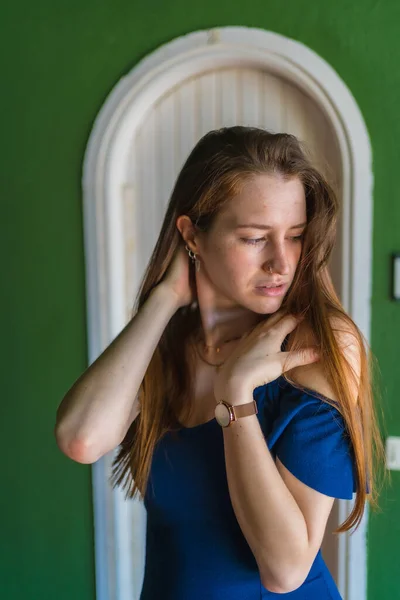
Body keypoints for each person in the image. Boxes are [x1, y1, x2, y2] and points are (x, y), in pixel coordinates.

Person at [55, 127, 384, 599]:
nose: (282, 263)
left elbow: (286, 569)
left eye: (294, 236)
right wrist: (165, 298)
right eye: (254, 238)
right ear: (192, 235)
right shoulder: (169, 344)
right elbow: (81, 438)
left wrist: (237, 399)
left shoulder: (320, 342)